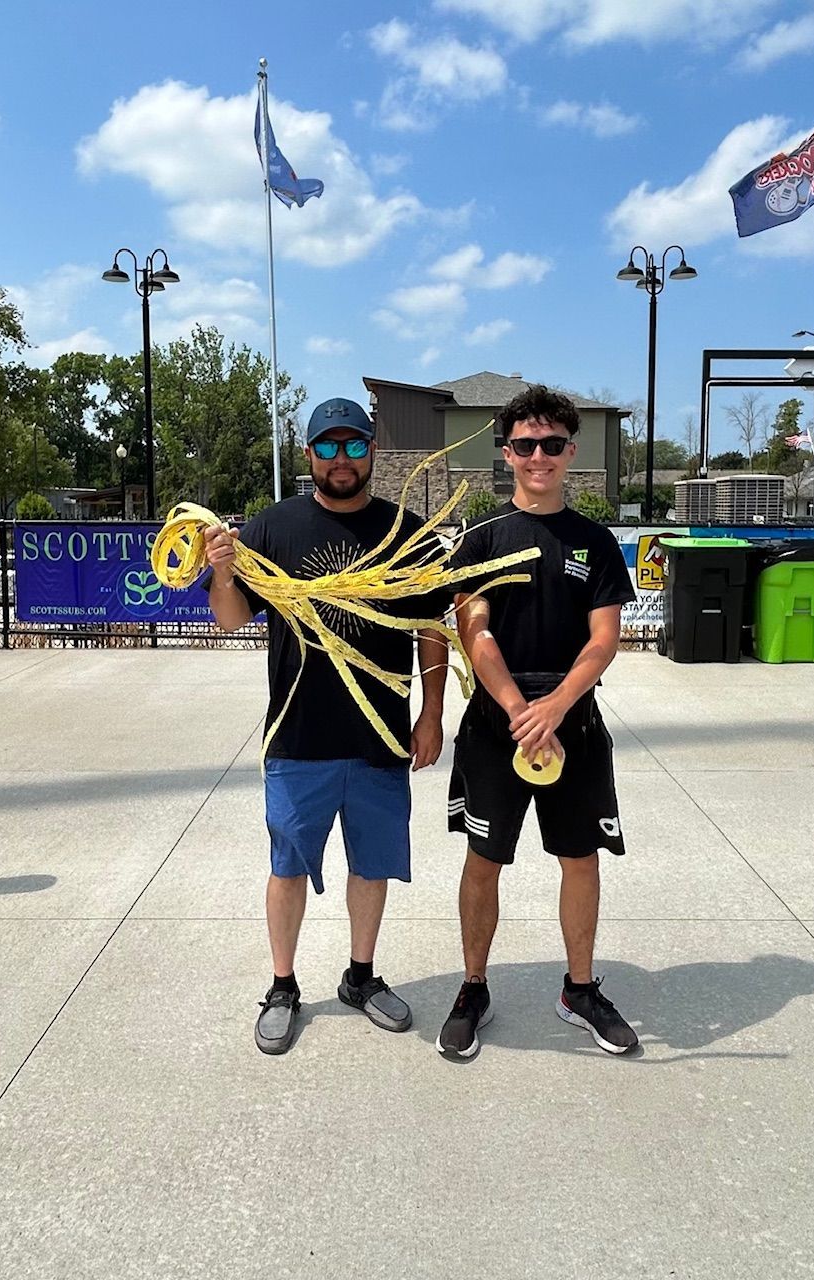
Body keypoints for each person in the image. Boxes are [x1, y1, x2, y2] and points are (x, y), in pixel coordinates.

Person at [204, 398, 447, 1056]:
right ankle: (283, 985)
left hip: (380, 739)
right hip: (299, 738)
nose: (342, 460)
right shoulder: (272, 528)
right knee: (287, 867)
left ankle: (361, 977)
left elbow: (430, 629)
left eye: (354, 445)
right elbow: (230, 617)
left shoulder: (408, 532)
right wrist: (223, 571)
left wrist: (432, 712)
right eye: (328, 448)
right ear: (308, 454)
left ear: (372, 450)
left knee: (371, 867)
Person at [437, 384, 638, 1059]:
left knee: (579, 860)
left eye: (552, 445)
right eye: (525, 445)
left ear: (571, 452)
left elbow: (604, 639)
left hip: (572, 728)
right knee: (482, 860)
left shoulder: (594, 541)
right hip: (500, 729)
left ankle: (579, 989)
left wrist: (555, 706)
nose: (539, 456)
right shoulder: (483, 539)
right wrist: (520, 709)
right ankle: (472, 988)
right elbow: (473, 628)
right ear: (507, 453)